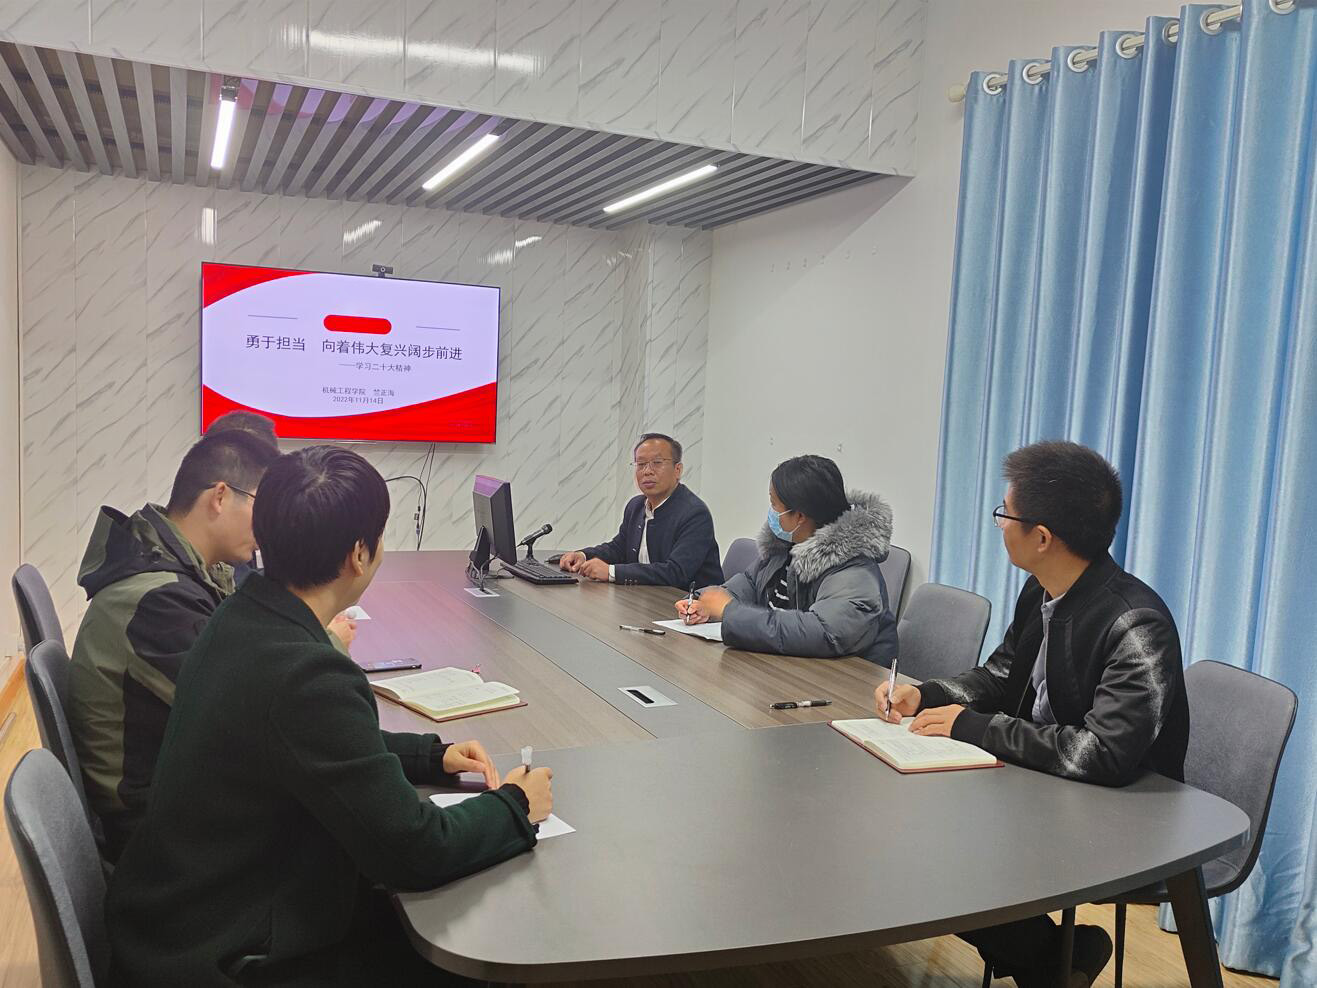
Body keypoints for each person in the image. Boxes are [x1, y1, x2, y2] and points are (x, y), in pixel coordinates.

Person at [107, 446, 554, 987]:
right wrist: (515, 806)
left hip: (181, 919)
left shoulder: (242, 616)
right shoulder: (306, 674)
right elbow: (414, 851)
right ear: (359, 554)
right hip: (233, 955)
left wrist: (427, 756)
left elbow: (304, 744)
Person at [876, 440, 1190, 988]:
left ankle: (1052, 958)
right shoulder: (1042, 587)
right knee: (907, 830)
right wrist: (926, 695)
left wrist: (971, 726)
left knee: (938, 847)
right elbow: (1003, 675)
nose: (999, 524)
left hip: (1122, 812)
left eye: (1005, 514)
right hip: (1040, 784)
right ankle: (1053, 960)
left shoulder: (1136, 624)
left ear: (1041, 537)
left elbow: (1103, 753)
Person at [68, 429, 281, 859]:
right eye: (264, 507)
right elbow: (253, 719)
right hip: (161, 840)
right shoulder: (159, 600)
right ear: (220, 496)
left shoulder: (176, 570)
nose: (268, 529)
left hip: (171, 799)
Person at [676, 455, 898, 663]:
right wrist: (703, 604)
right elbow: (750, 584)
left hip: (847, 682)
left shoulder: (854, 569)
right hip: (790, 666)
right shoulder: (785, 546)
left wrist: (729, 612)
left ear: (799, 516)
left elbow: (823, 632)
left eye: (774, 505)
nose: (771, 512)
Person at [558, 433, 723, 588]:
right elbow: (618, 548)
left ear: (677, 470)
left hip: (689, 604)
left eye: (657, 463)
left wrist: (611, 572)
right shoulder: (636, 506)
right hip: (645, 597)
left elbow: (676, 572)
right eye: (641, 464)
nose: (647, 471)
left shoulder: (695, 514)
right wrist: (583, 555)